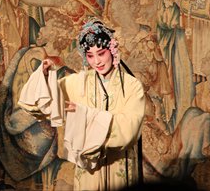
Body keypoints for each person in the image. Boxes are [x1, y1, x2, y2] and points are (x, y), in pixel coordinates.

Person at [18, 18, 145, 190]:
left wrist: (83, 114)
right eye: (90, 56)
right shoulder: (79, 83)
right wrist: (45, 77)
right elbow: (41, 104)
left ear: (112, 50)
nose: (97, 62)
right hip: (88, 173)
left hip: (120, 166)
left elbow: (129, 129)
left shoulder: (131, 86)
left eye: (101, 53)